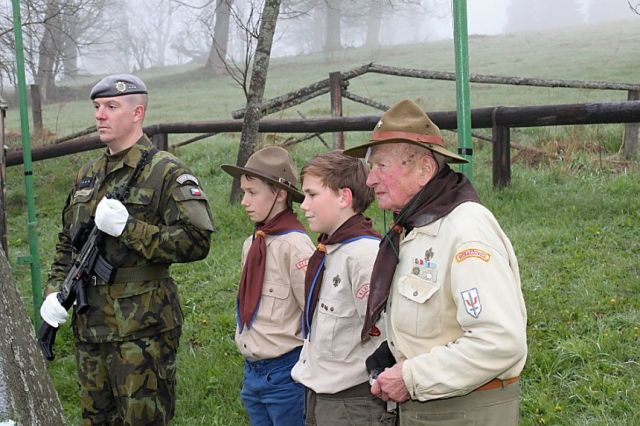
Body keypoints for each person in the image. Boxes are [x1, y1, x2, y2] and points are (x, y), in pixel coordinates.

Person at [39, 74, 214, 425]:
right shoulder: (87, 175)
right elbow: (66, 243)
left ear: (137, 113)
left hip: (143, 330)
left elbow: (197, 240)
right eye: (97, 107)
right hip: (91, 328)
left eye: (111, 107)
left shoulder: (165, 171)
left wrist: (129, 229)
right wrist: (54, 292)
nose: (100, 115)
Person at [343, 99, 527, 425]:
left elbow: (500, 342)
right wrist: (396, 351)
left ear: (425, 169)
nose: (370, 180)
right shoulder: (418, 226)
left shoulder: (465, 230)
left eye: (381, 166)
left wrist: (411, 375)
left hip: (464, 413)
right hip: (434, 409)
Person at [290, 151, 395, 426]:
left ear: (344, 197)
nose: (303, 205)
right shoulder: (330, 250)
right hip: (321, 396)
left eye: (312, 195)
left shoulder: (364, 256)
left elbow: (385, 335)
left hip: (353, 404)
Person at [221, 146, 314, 426]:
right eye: (243, 192)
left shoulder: (296, 248)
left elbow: (313, 314)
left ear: (280, 193)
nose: (244, 201)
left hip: (287, 373)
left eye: (253, 192)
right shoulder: (252, 244)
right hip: (253, 373)